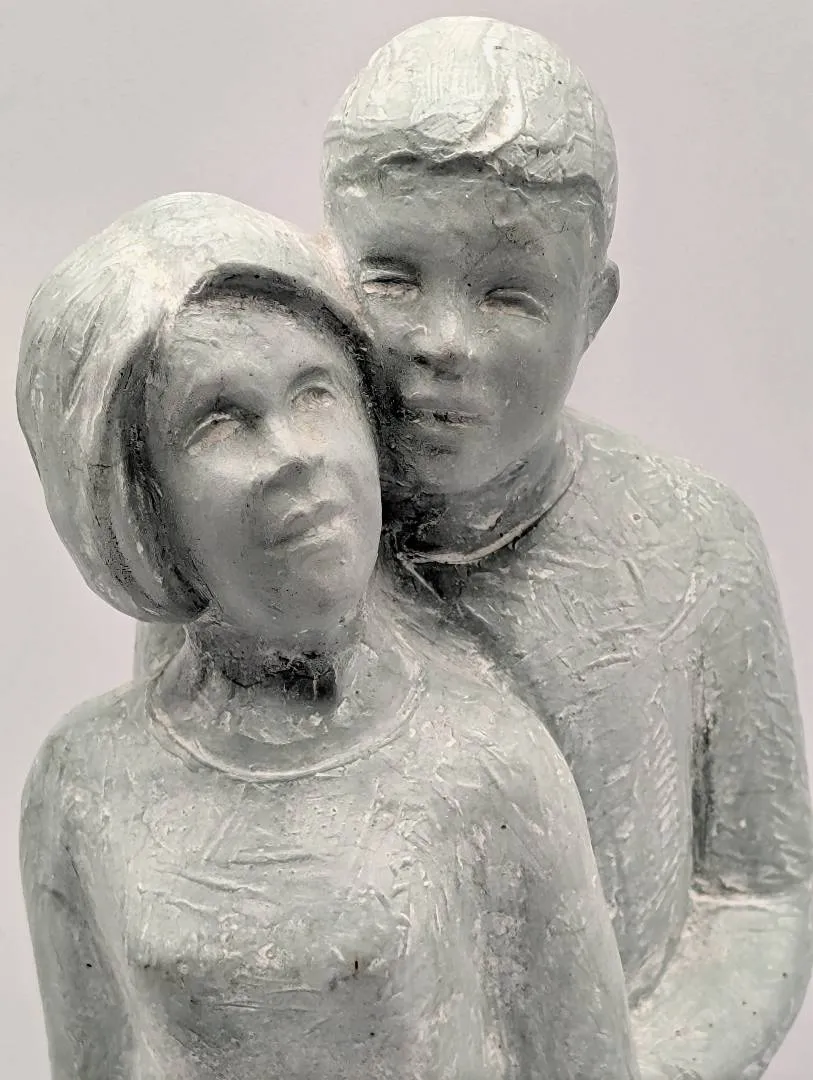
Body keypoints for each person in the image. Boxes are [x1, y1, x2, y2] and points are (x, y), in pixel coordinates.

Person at [18, 192, 639, 1079]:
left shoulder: (484, 761)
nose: (294, 452)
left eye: (314, 393)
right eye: (220, 420)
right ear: (136, 501)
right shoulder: (82, 781)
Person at [317, 17, 813, 1080]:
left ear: (592, 308)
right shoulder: (264, 558)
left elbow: (761, 890)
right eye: (393, 278)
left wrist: (644, 1067)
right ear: (326, 271)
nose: (444, 341)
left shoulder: (694, 545)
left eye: (509, 293)